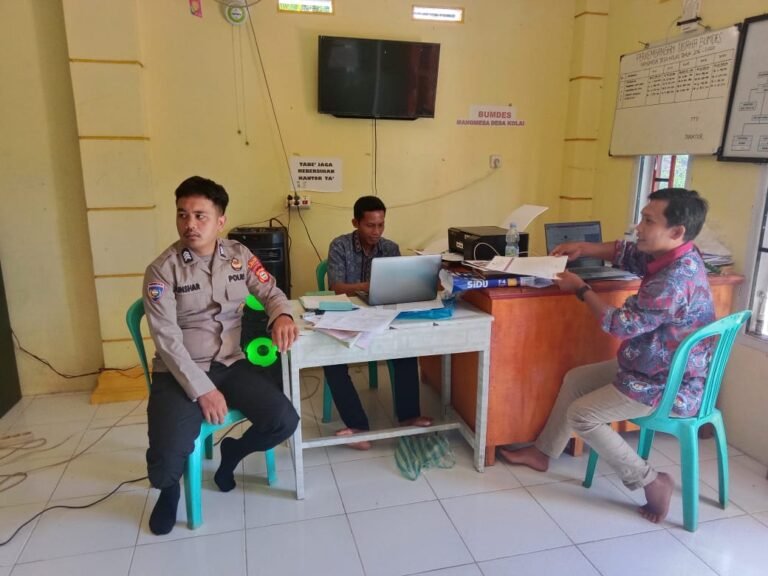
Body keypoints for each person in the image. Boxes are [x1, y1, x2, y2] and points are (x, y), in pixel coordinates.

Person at [499, 188, 714, 524]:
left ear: (677, 231)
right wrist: (585, 248)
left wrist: (581, 289)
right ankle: (542, 453)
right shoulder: (678, 254)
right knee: (576, 379)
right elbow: (628, 252)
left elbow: (620, 325)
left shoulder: (674, 281)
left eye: (648, 221)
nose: (638, 227)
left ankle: (650, 480)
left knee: (582, 415)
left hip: (666, 384)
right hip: (652, 365)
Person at [143, 176, 299, 535]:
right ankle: (169, 492)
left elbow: (271, 291)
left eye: (200, 216)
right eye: (182, 214)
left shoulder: (239, 256)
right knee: (166, 460)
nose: (190, 224)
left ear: (220, 221)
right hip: (180, 370)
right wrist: (203, 390)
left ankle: (233, 454)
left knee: (283, 421)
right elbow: (166, 339)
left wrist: (282, 315)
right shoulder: (162, 269)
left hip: (231, 363)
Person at [324, 195, 432, 449]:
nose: (376, 231)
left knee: (406, 349)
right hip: (348, 314)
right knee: (331, 361)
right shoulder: (339, 246)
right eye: (370, 225)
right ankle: (358, 427)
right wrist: (367, 286)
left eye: (381, 225)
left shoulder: (390, 248)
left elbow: (399, 284)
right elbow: (336, 286)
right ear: (355, 223)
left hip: (381, 314)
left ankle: (409, 416)